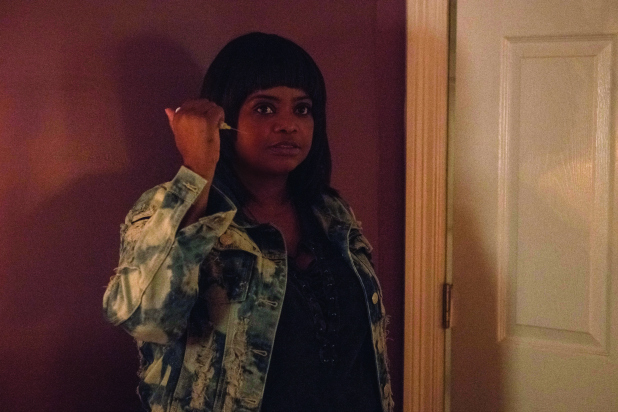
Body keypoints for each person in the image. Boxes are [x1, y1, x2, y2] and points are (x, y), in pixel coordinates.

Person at [103, 32, 393, 412]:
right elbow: (147, 320)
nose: (288, 125)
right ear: (222, 119)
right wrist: (197, 169)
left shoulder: (331, 211)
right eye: (265, 108)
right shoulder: (168, 208)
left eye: (302, 109)